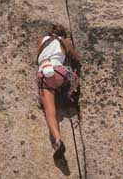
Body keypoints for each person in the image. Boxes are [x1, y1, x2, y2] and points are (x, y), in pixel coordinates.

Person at [37, 24, 80, 159]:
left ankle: (57, 141)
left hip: (44, 72)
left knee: (50, 113)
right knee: (73, 76)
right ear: (63, 34)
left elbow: (37, 57)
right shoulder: (65, 41)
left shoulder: (41, 40)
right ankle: (70, 95)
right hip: (59, 72)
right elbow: (76, 58)